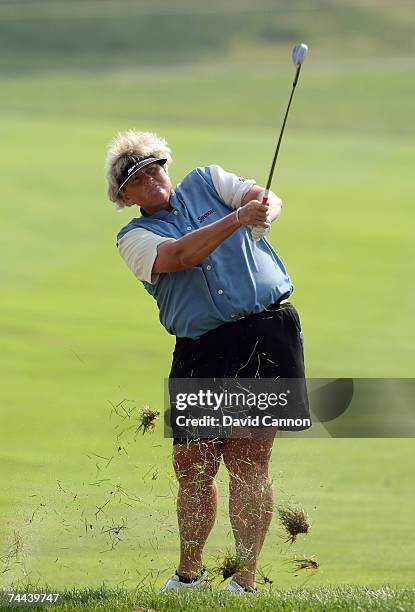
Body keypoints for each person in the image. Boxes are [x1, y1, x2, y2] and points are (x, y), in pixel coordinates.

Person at [105, 130, 310, 594]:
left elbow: (263, 196)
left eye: (155, 166)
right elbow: (177, 256)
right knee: (194, 464)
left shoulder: (207, 180)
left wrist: (263, 210)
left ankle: (245, 580)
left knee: (249, 458)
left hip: (266, 333)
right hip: (203, 347)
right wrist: (238, 219)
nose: (151, 178)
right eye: (137, 178)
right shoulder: (134, 236)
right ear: (124, 195)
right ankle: (189, 575)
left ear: (166, 166)